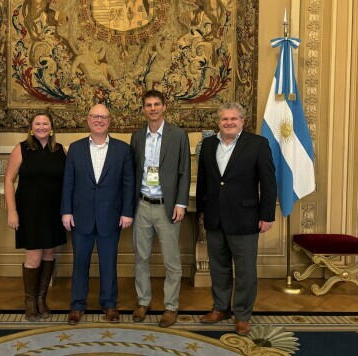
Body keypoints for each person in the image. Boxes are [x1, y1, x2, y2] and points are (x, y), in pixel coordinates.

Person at [195, 102, 277, 336]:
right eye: (224, 119)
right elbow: (204, 180)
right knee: (218, 268)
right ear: (218, 122)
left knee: (245, 271)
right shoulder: (209, 145)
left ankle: (242, 315)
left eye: (233, 119)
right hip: (214, 218)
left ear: (242, 121)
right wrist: (202, 209)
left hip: (245, 218)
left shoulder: (258, 144)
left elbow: (268, 183)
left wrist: (266, 215)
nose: (228, 122)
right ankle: (220, 307)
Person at [61, 103, 135, 325]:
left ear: (110, 121)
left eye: (104, 117)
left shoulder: (123, 150)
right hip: (80, 216)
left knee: (108, 262)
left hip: (111, 217)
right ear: (88, 119)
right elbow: (68, 182)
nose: (99, 120)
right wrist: (66, 211)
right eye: (95, 116)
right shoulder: (75, 148)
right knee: (80, 262)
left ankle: (109, 304)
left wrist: (127, 212)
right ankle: (77, 305)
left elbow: (128, 184)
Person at [130, 89, 191, 328]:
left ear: (165, 107)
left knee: (171, 260)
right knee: (141, 257)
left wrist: (181, 203)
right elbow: (132, 173)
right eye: (148, 105)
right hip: (142, 205)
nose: (153, 108)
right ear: (143, 109)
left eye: (157, 104)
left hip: (168, 206)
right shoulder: (137, 137)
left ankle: (170, 306)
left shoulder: (178, 135)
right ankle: (143, 302)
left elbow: (184, 170)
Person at [4, 110, 67, 322]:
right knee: (33, 258)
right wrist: (12, 211)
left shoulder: (60, 151)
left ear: (52, 128)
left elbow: (68, 183)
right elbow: (9, 181)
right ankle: (30, 300)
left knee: (49, 254)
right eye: (37, 124)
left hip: (53, 212)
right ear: (32, 128)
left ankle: (42, 299)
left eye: (45, 124)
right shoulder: (21, 149)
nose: (41, 127)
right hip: (28, 212)